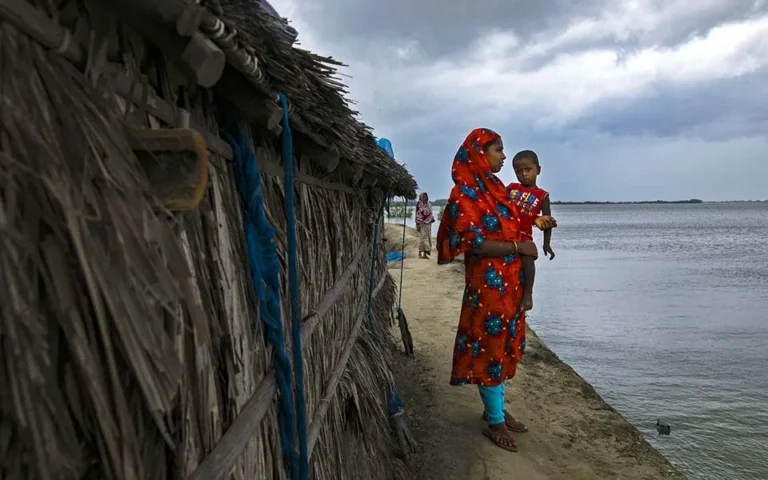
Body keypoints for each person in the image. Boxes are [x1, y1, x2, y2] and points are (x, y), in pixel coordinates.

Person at [436, 128, 557, 452]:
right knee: (489, 348)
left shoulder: (498, 190)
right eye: (498, 150)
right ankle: (494, 421)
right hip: (488, 289)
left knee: (502, 347)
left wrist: (539, 225)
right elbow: (472, 244)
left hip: (509, 286)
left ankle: (498, 409)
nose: (504, 156)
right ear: (479, 153)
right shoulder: (465, 195)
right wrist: (519, 246)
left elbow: (518, 222)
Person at [507, 150, 555, 311]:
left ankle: (528, 295)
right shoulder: (511, 188)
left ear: (538, 170)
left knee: (528, 259)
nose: (524, 174)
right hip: (506, 233)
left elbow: (547, 222)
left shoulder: (542, 195)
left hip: (524, 235)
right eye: (519, 171)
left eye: (528, 170)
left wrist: (546, 245)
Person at [415, 192, 435, 259]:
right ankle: (420, 253)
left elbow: (430, 214)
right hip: (421, 224)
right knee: (423, 239)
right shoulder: (419, 204)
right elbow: (417, 215)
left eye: (426, 196)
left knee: (428, 238)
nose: (425, 198)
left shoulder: (429, 204)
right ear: (421, 197)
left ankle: (425, 254)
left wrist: (432, 219)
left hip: (428, 225)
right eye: (424, 197)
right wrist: (417, 225)